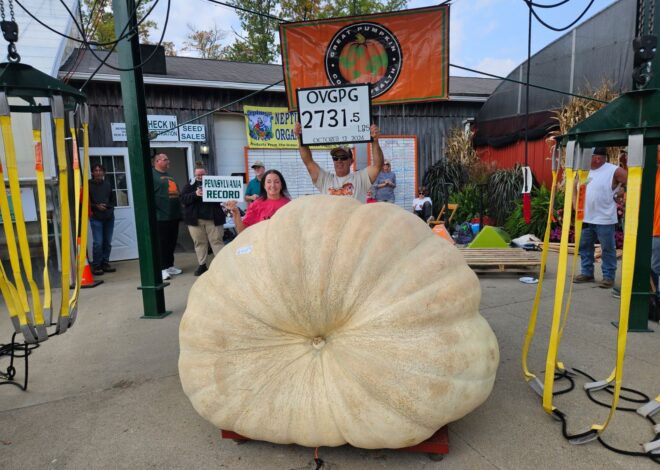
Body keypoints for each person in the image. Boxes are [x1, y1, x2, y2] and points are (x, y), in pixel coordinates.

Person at [574, 147, 627, 288]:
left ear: (597, 158)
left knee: (608, 248)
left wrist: (621, 193)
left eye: (588, 156)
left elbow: (633, 182)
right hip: (586, 217)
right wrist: (575, 206)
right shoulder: (584, 171)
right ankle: (587, 273)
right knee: (585, 247)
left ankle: (608, 277)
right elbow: (576, 188)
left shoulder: (613, 170)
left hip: (604, 219)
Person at [293, 122, 384, 202]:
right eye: (335, 158)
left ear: (351, 161)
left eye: (343, 157)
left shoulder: (360, 178)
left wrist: (375, 141)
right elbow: (308, 162)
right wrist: (300, 138)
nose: (339, 161)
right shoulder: (325, 179)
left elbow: (378, 165)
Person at [181, 162, 226, 276]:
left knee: (217, 242)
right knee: (199, 243)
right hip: (195, 220)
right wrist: (195, 194)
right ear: (195, 175)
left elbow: (224, 195)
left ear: (206, 173)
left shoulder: (215, 184)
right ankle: (202, 265)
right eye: (198, 175)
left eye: (202, 174)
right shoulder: (189, 185)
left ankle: (221, 264)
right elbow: (183, 199)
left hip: (213, 218)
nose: (200, 177)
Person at [226, 169, 291, 233]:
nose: (273, 185)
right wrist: (236, 212)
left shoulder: (289, 204)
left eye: (276, 182)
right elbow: (242, 231)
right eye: (269, 182)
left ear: (281, 185)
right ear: (264, 185)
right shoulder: (256, 204)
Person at [152, 153, 182, 281]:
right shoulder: (152, 176)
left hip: (173, 215)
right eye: (165, 159)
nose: (168, 161)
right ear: (157, 161)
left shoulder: (169, 175)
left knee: (171, 242)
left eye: (168, 159)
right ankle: (161, 269)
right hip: (161, 216)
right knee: (162, 243)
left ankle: (169, 265)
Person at [89, 164, 116, 276]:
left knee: (107, 242)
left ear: (104, 173)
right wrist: (96, 206)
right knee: (98, 243)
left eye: (100, 171)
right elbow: (86, 202)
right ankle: (96, 266)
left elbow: (113, 201)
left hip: (109, 217)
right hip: (96, 218)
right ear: (92, 173)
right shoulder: (87, 185)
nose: (98, 172)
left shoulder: (108, 184)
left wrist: (107, 206)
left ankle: (105, 263)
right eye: (96, 170)